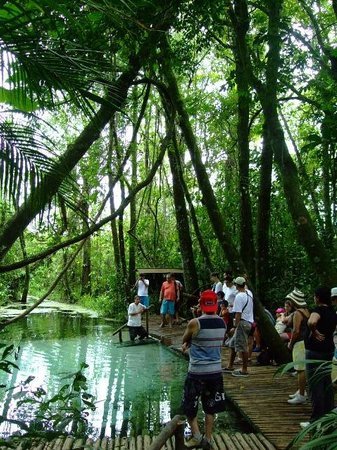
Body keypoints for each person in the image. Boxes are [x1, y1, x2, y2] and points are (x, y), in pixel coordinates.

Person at [181, 290, 226, 449]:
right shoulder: (223, 323)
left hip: (197, 373)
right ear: (216, 305)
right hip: (215, 372)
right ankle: (208, 438)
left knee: (189, 405)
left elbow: (185, 339)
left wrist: (188, 346)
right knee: (210, 407)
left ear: (200, 305)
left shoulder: (195, 323)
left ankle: (197, 436)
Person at [300, 286, 337, 428]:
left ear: (318, 297)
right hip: (328, 350)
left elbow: (312, 322)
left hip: (315, 352)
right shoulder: (332, 312)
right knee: (326, 383)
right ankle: (329, 417)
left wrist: (314, 331)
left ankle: (315, 420)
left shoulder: (319, 310)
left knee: (315, 385)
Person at [223, 276, 254, 377]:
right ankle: (230, 365)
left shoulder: (239, 296)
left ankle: (244, 370)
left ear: (236, 285)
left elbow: (238, 313)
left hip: (242, 323)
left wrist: (235, 326)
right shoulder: (249, 293)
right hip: (248, 322)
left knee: (242, 346)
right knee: (232, 344)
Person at [285, 288, 310, 405]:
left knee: (300, 370)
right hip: (306, 342)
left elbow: (295, 330)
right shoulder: (306, 311)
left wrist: (290, 343)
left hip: (299, 342)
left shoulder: (297, 313)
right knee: (302, 369)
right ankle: (301, 391)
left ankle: (301, 395)